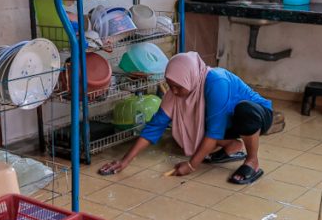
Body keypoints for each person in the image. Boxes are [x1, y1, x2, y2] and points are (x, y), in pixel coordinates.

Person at [99, 52, 273, 185]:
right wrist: (125, 161)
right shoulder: (178, 90)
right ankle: (231, 146)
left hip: (257, 116)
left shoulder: (216, 82)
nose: (173, 91)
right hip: (226, 120)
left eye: (177, 86)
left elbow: (213, 131)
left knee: (244, 112)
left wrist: (191, 165)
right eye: (170, 85)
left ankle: (252, 161)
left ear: (188, 77)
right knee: (195, 121)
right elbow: (155, 126)